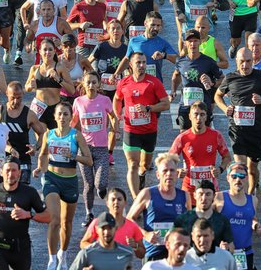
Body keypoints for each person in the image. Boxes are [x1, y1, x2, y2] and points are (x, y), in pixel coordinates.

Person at [33, 101, 93, 270]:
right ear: (55, 116)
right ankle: (52, 259)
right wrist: (40, 168)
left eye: (66, 114)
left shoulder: (76, 135)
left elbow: (88, 160)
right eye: (59, 114)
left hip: (70, 181)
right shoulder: (48, 134)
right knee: (54, 219)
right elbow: (43, 154)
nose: (62, 117)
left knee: (67, 223)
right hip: (51, 178)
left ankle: (63, 255)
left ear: (71, 117)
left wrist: (74, 156)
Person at [214, 48, 261, 194]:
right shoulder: (230, 77)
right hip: (237, 129)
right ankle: (240, 196)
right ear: (236, 61)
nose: (245, 65)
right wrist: (225, 109)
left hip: (257, 130)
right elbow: (217, 96)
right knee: (241, 165)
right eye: (242, 61)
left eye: (248, 61)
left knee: (252, 168)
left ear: (253, 61)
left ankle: (250, 196)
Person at [114, 51, 171, 198]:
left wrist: (149, 108)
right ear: (131, 65)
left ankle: (142, 174)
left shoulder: (153, 82)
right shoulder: (124, 82)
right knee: (132, 164)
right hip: (130, 129)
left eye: (144, 62)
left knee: (144, 165)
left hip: (149, 131)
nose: (141, 65)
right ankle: (135, 197)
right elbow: (117, 99)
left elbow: (166, 104)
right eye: (138, 62)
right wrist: (118, 114)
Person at [0, 158, 50, 270]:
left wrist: (28, 214)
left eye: (14, 170)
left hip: (20, 246)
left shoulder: (29, 192)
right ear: (1, 172)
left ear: (20, 173)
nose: (11, 174)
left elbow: (48, 216)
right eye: (7, 170)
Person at [72, 72, 117, 224]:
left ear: (99, 84)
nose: (91, 86)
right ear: (83, 84)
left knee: (100, 184)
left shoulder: (104, 100)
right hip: (84, 150)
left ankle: (102, 190)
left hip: (101, 148)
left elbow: (113, 116)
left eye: (94, 82)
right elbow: (73, 122)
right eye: (88, 83)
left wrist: (113, 129)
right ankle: (89, 213)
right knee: (88, 184)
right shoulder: (78, 101)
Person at [126, 153, 188, 262]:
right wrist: (145, 234)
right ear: (158, 174)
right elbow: (129, 219)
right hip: (153, 254)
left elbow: (190, 223)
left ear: (177, 173)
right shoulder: (147, 193)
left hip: (177, 254)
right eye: (165, 171)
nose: (169, 174)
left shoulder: (185, 195)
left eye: (172, 170)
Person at [214, 162, 261, 270]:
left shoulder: (253, 200)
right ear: (228, 178)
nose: (238, 180)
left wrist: (256, 225)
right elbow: (208, 222)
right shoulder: (218, 197)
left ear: (246, 179)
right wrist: (220, 240)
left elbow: (251, 218)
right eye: (234, 176)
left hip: (245, 253)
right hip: (223, 252)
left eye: (241, 176)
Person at [79, 187, 146, 260]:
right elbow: (83, 243)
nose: (116, 202)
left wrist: (135, 246)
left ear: (125, 203)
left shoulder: (132, 226)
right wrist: (98, 249)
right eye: (113, 199)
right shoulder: (97, 222)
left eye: (119, 199)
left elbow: (142, 254)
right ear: (107, 203)